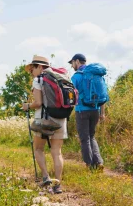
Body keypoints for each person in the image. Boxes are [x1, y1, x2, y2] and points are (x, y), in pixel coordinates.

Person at [22, 55, 66, 194]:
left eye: (32, 69)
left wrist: (27, 106)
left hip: (43, 120)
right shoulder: (63, 76)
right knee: (57, 152)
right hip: (61, 118)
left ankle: (46, 177)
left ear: (40, 67)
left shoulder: (38, 80)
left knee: (38, 149)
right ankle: (57, 185)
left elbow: (38, 103)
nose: (32, 72)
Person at [69, 53, 105, 171]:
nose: (72, 66)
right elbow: (103, 95)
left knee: (84, 138)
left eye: (72, 63)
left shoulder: (76, 76)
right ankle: (98, 162)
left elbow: (71, 96)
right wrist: (102, 113)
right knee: (91, 136)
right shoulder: (96, 75)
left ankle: (89, 165)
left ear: (77, 61)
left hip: (82, 111)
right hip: (96, 109)